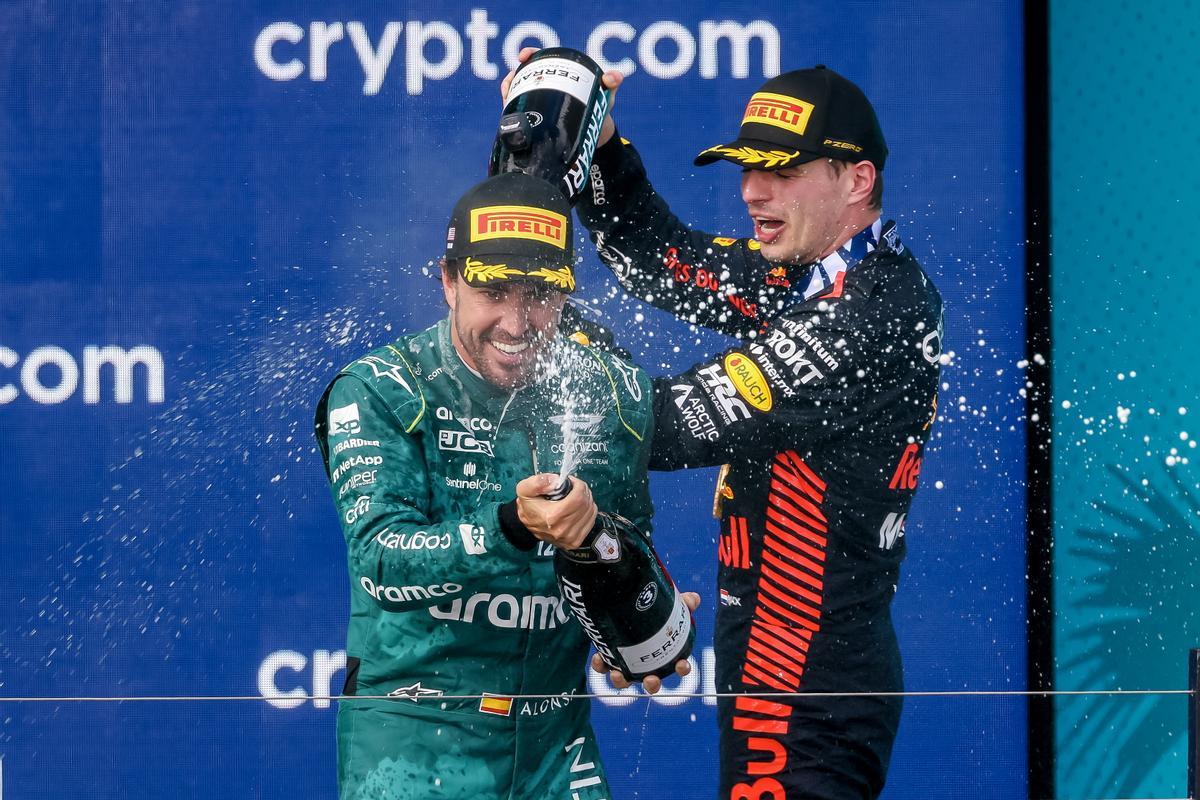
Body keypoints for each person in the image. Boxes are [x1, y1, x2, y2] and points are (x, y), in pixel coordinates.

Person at [508, 55, 944, 799]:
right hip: (770, 663)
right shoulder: (803, 270)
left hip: (810, 682)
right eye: (746, 168)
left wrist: (530, 325)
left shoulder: (870, 310)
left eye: (780, 171)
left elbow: (665, 425)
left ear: (857, 179)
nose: (751, 190)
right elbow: (660, 260)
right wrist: (599, 142)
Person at [314, 172, 692, 800]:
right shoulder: (381, 389)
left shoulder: (608, 390)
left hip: (555, 745)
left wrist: (638, 617)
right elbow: (380, 563)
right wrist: (510, 527)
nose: (518, 323)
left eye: (541, 294)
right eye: (494, 291)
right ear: (448, 281)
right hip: (413, 739)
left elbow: (623, 545)